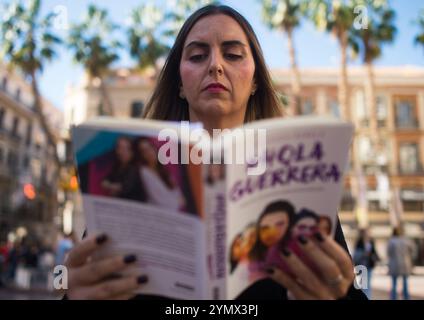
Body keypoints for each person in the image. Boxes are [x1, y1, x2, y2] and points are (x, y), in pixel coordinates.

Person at [64, 4, 365, 300]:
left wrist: (340, 295)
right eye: (197, 55)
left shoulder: (297, 188)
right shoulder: (131, 181)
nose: (215, 65)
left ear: (255, 81)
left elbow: (344, 289)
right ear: (180, 84)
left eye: (233, 54)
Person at [134, 138, 185, 210]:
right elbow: (159, 200)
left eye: (150, 148)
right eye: (144, 151)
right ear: (140, 155)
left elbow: (179, 196)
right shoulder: (143, 172)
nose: (149, 152)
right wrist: (176, 202)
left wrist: (177, 201)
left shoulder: (163, 168)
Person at [101, 137, 147, 202]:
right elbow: (105, 180)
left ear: (132, 151)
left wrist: (111, 186)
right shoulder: (117, 165)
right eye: (119, 148)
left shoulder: (136, 168)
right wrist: (111, 186)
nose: (122, 152)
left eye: (126, 149)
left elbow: (125, 187)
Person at [387, 226, 416, 300]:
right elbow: (413, 251)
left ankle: (393, 297)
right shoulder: (406, 240)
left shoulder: (391, 241)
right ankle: (406, 297)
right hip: (405, 264)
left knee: (394, 283)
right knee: (405, 282)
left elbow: (389, 253)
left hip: (394, 263)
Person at [353, 229, 379, 299]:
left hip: (369, 265)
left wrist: (375, 257)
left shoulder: (371, 242)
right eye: (366, 233)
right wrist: (364, 254)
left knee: (367, 285)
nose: (368, 235)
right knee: (361, 285)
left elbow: (374, 252)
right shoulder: (359, 243)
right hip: (361, 266)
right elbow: (356, 255)